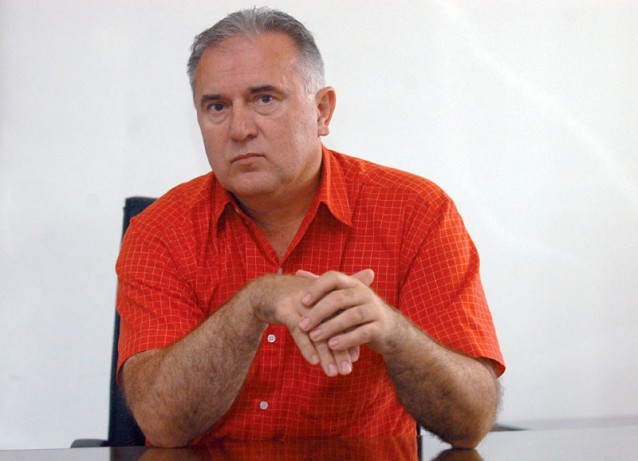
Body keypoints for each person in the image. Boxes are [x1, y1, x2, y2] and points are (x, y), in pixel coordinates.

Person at [116, 7, 505, 449]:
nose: (239, 129)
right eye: (217, 107)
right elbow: (162, 427)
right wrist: (254, 303)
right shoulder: (159, 231)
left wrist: (394, 333)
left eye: (265, 99)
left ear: (322, 111)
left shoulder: (416, 212)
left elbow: (471, 423)